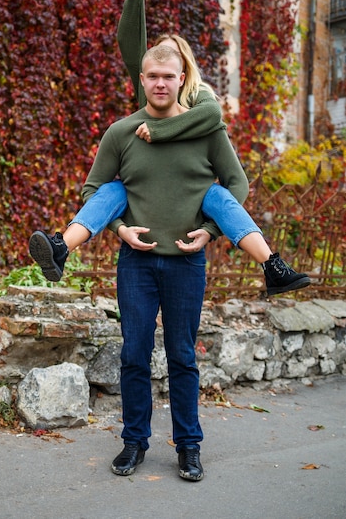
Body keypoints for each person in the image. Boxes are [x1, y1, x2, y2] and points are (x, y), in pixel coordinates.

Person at [29, 0, 311, 297]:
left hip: (189, 205)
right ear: (146, 75)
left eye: (169, 68)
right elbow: (129, 41)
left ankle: (272, 265)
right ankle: (61, 246)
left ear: (182, 73)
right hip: (143, 205)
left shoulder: (199, 97)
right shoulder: (145, 97)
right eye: (154, 69)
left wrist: (161, 131)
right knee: (112, 190)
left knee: (219, 195)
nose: (160, 79)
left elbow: (214, 116)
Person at [86, 43, 251, 480]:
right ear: (142, 80)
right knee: (135, 354)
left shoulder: (206, 130)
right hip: (135, 265)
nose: (161, 83)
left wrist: (212, 231)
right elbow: (95, 191)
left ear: (183, 79)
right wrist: (119, 228)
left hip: (185, 262)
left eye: (169, 76)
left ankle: (188, 446)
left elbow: (237, 183)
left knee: (182, 356)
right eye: (152, 76)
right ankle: (134, 442)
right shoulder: (122, 132)